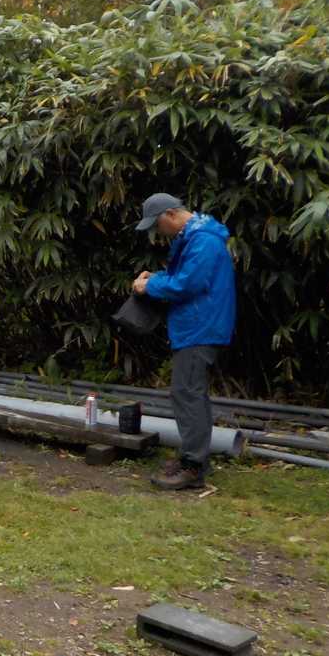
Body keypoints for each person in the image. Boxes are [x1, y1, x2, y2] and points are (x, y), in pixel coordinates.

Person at [131, 193, 236, 491]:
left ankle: (192, 467)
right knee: (191, 394)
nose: (158, 231)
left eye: (157, 224)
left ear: (170, 214)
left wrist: (150, 285)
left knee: (187, 393)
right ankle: (195, 459)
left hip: (200, 327)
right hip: (197, 325)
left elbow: (186, 285)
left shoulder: (203, 241)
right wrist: (156, 277)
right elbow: (185, 275)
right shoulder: (195, 237)